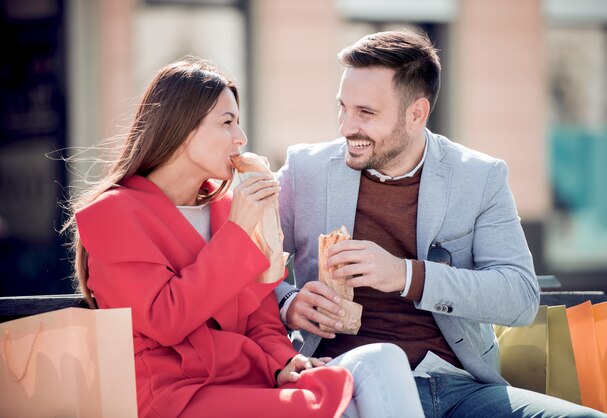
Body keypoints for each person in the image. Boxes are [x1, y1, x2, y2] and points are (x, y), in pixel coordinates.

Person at [61, 57, 423, 418]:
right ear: (182, 127)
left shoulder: (227, 209)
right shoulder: (115, 213)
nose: (241, 138)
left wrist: (285, 360)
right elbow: (165, 320)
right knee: (346, 409)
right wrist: (238, 230)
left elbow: (260, 318)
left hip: (250, 379)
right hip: (176, 396)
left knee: (383, 359)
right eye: (227, 123)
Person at [275, 30, 607, 418]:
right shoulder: (305, 172)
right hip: (345, 384)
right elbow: (244, 269)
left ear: (416, 114)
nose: (346, 126)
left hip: (459, 386)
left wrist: (407, 276)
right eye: (343, 107)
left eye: (365, 113)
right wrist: (288, 303)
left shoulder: (480, 177)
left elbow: (519, 296)